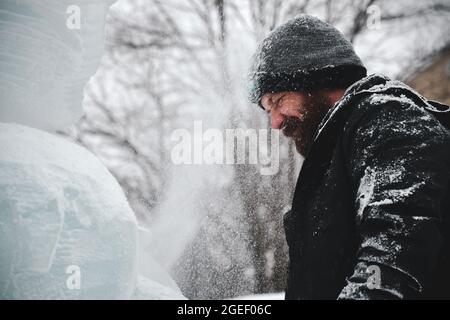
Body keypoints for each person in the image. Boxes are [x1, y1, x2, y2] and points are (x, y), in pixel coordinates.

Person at [248, 14, 450, 299]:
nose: (276, 123)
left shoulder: (389, 122)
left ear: (317, 80)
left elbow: (391, 260)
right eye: (268, 110)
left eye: (278, 101)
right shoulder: (339, 156)